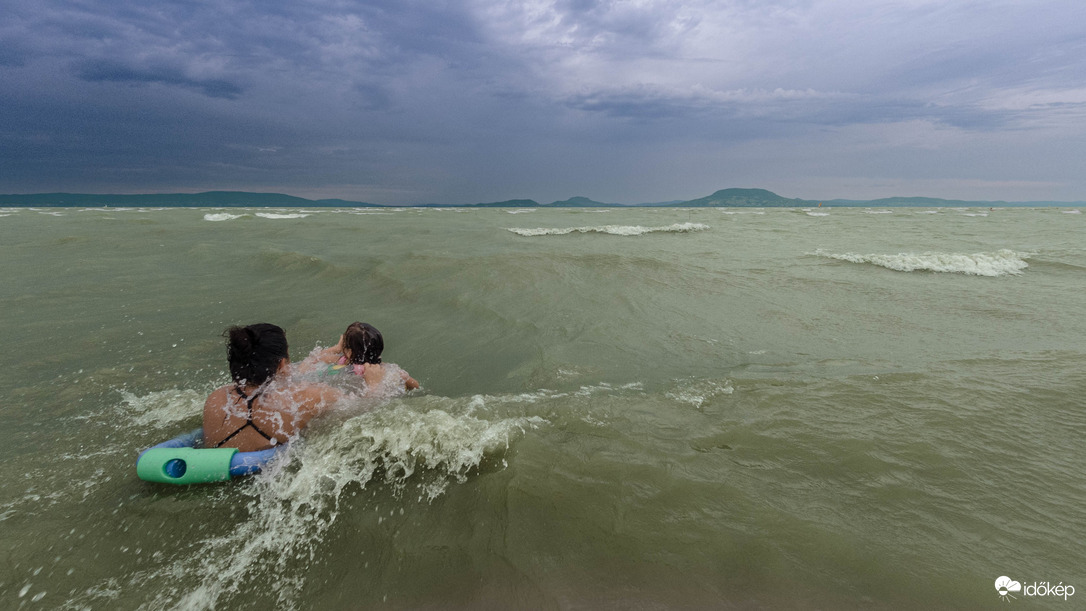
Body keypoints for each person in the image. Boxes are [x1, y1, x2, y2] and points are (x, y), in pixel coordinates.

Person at [203, 323, 342, 452]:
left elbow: (285, 376)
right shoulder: (308, 397)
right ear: (281, 364)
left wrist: (320, 356)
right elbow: (360, 405)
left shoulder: (215, 399)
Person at [300, 322, 419, 393]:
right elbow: (415, 385)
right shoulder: (386, 370)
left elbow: (313, 359)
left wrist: (336, 348)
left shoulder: (341, 362)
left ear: (349, 352)